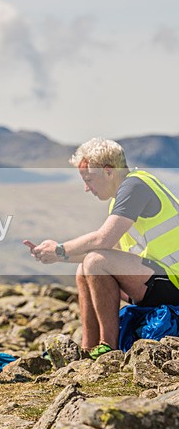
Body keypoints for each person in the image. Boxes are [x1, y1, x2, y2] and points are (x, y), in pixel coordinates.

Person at [27, 138, 179, 358]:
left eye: (89, 179)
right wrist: (56, 257)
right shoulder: (121, 197)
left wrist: (60, 249)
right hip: (158, 277)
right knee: (85, 269)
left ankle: (108, 347)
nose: (87, 188)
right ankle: (88, 349)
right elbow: (111, 251)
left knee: (96, 262)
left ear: (108, 172)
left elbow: (102, 241)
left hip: (173, 280)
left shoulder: (135, 186)